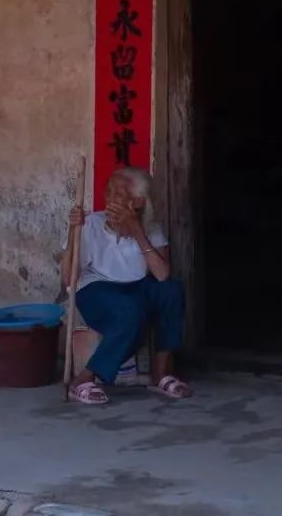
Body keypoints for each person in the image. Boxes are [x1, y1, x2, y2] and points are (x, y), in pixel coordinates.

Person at [62, 167, 192, 405]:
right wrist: (73, 232)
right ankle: (83, 379)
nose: (109, 199)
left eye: (118, 194)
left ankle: (161, 373)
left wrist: (136, 230)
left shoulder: (151, 228)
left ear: (138, 202)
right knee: (130, 309)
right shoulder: (90, 224)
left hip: (135, 288)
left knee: (172, 290)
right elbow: (68, 279)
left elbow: (162, 275)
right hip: (97, 288)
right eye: (108, 192)